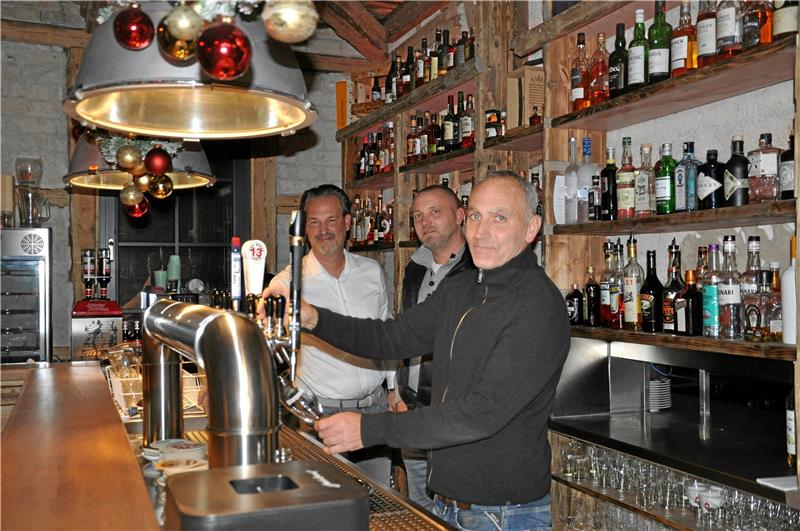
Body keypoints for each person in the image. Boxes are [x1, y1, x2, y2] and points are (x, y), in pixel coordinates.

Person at [264, 172, 570, 530]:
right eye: (475, 216)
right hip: (448, 503)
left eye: (499, 218)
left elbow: (480, 414)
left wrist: (370, 429)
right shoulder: (462, 290)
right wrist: (314, 318)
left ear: (531, 228)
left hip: (504, 515)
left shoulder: (537, 305)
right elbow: (392, 337)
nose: (482, 231)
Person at [267, 184, 396, 487]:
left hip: (374, 412)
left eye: (331, 220)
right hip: (319, 415)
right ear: (303, 227)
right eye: (314, 221)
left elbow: (386, 333)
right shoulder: (287, 283)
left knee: (377, 503)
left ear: (348, 223)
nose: (323, 230)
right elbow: (266, 343)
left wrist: (393, 389)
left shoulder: (371, 271)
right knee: (325, 504)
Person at [391, 184, 474, 511]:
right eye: (417, 216)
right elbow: (404, 332)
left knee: (457, 508)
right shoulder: (414, 267)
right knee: (419, 508)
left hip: (452, 413)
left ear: (459, 215)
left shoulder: (478, 269)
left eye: (434, 212)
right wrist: (396, 391)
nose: (424, 222)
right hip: (412, 409)